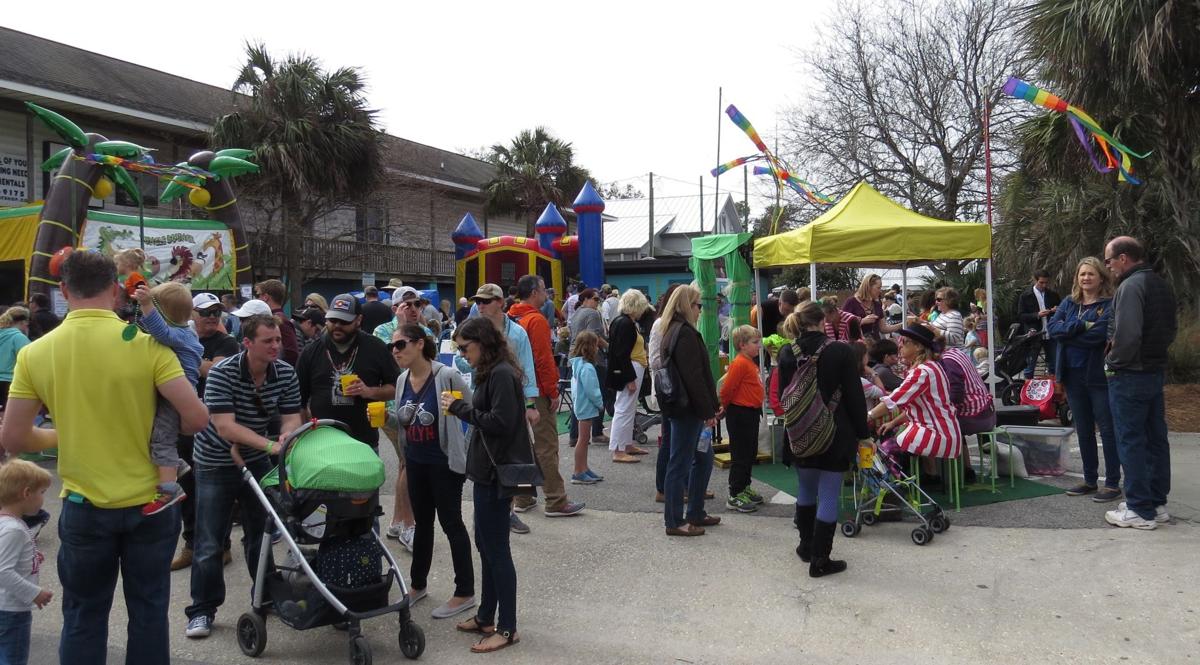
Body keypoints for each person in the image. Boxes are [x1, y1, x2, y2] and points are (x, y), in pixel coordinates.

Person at [0, 250, 208, 663]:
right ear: (116, 290)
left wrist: (68, 431)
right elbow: (196, 418)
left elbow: (15, 436)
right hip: (152, 502)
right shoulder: (149, 345)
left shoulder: (35, 353)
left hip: (84, 505)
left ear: (64, 290)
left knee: (82, 616)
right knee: (149, 613)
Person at [184, 314, 301, 639]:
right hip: (215, 461)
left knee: (259, 535)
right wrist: (269, 444)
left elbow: (292, 415)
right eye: (268, 341)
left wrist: (285, 436)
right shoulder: (223, 372)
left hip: (257, 458)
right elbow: (225, 426)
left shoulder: (285, 372)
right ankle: (202, 611)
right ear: (248, 343)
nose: (276, 345)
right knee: (209, 541)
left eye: (277, 339)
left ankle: (266, 597)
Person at [443, 317, 527, 653]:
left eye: (465, 347)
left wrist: (461, 408)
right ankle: (486, 616)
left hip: (496, 472)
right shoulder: (492, 372)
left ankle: (507, 629)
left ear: (483, 342)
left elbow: (502, 423)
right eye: (459, 349)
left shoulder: (501, 373)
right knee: (486, 545)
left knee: (496, 550)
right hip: (487, 471)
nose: (462, 354)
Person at [388, 323, 476, 619]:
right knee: (422, 524)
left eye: (400, 345)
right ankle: (417, 585)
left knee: (452, 524)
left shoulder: (446, 375)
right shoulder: (402, 380)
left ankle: (464, 592)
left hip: (443, 464)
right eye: (393, 346)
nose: (395, 351)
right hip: (415, 462)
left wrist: (460, 448)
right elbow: (406, 419)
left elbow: (473, 410)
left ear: (420, 344)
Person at [775, 303, 870, 577]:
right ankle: (820, 560)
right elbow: (854, 396)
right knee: (828, 494)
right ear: (822, 320)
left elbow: (784, 397)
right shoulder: (839, 350)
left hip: (799, 432)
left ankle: (806, 546)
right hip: (835, 431)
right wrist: (864, 435)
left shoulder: (786, 352)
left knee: (805, 489)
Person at [1102, 236, 1177, 530]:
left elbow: (1127, 334)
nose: (1108, 267)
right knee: (1155, 438)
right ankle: (1155, 504)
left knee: (1131, 439)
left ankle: (1138, 509)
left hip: (1130, 373)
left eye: (1109, 261)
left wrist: (1112, 364)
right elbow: (1171, 328)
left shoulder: (1131, 286)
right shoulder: (1160, 283)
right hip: (1153, 370)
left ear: (1123, 258)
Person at [172, 293, 241, 571]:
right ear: (192, 314)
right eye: (206, 312)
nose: (212, 316)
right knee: (186, 489)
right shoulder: (183, 337)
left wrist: (184, 353)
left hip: (214, 426)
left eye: (216, 312)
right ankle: (191, 544)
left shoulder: (226, 341)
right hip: (181, 423)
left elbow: (215, 371)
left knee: (213, 491)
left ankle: (221, 546)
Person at [466, 284, 542, 534]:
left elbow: (527, 367)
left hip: (509, 399)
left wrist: (530, 404)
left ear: (500, 302)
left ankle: (509, 510)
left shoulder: (516, 332)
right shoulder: (473, 327)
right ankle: (487, 512)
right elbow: (458, 360)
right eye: (478, 301)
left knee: (512, 456)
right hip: (481, 397)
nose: (480, 305)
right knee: (483, 456)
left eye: (486, 301)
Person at [507, 275, 584, 517]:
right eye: (543, 290)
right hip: (537, 389)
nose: (546, 295)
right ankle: (555, 499)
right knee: (546, 445)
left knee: (521, 446)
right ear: (533, 293)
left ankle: (523, 495)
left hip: (513, 388)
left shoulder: (511, 317)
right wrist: (552, 391)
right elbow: (543, 359)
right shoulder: (535, 321)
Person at [1047, 257, 1120, 502]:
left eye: (1090, 274)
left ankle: (1111, 483)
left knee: (1107, 430)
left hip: (1097, 376)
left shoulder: (1109, 305)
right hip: (1071, 374)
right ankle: (1090, 480)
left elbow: (1098, 337)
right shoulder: (1069, 302)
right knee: (1083, 429)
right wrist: (1081, 325)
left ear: (1101, 277)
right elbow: (1053, 330)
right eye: (1082, 274)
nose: (1086, 278)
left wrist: (1069, 331)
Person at [131, 281, 205, 516]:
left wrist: (146, 305)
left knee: (162, 439)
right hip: (174, 394)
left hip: (177, 397)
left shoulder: (179, 335)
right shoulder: (186, 332)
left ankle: (168, 490)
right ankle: (177, 465)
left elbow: (160, 332)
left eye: (154, 311)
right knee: (158, 435)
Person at [295, 294, 398, 450]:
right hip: (322, 442)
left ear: (358, 320)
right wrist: (305, 436)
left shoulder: (375, 347)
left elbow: (395, 388)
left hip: (363, 442)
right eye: (332, 320)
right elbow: (299, 401)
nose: (337, 325)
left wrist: (369, 391)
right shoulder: (311, 351)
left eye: (344, 321)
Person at [658, 285, 721, 537]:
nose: (700, 310)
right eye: (698, 305)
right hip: (687, 410)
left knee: (701, 460)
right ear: (688, 305)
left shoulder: (674, 331)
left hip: (684, 407)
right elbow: (694, 377)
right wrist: (709, 410)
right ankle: (675, 520)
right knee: (680, 464)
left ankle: (695, 512)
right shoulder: (683, 333)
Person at [867, 324, 962, 484]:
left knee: (883, 452)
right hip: (943, 430)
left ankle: (891, 497)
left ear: (918, 347)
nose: (900, 345)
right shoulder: (932, 367)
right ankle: (904, 488)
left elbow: (893, 400)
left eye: (904, 342)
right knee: (892, 438)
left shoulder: (922, 371)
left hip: (936, 433)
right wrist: (893, 422)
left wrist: (867, 416)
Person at [375, 285, 431, 548]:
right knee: (410, 463)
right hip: (393, 408)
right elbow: (390, 364)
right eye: (406, 304)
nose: (413, 309)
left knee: (406, 463)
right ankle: (408, 524)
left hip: (421, 406)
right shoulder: (383, 332)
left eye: (417, 304)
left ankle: (399, 521)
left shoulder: (426, 331)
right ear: (395, 307)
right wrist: (400, 327)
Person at [0, 459, 54, 665]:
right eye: (41, 493)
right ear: (26, 493)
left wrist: (30, 555)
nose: (43, 499)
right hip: (11, 610)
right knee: (13, 659)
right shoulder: (13, 529)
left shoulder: (6, 523)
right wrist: (34, 593)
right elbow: (3, 571)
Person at [719, 325, 765, 513]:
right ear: (742, 345)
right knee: (741, 454)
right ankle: (735, 493)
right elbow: (728, 388)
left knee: (750, 452)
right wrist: (723, 406)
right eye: (755, 343)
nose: (759, 346)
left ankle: (744, 485)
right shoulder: (739, 363)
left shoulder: (748, 362)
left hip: (751, 412)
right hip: (740, 413)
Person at [606, 289, 652, 463]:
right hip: (631, 368)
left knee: (627, 408)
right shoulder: (625, 324)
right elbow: (621, 353)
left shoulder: (622, 322)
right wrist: (629, 378)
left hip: (633, 367)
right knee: (624, 408)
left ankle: (625, 444)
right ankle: (618, 449)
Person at [567, 288, 610, 445]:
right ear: (585, 299)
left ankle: (574, 435)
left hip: (574, 356)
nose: (598, 302)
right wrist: (609, 347)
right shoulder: (592, 314)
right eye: (596, 299)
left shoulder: (577, 312)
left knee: (578, 396)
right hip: (591, 358)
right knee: (599, 393)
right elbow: (595, 337)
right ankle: (597, 433)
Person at [569, 331, 605, 484]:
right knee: (583, 440)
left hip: (581, 406)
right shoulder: (588, 368)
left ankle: (584, 468)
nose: (597, 349)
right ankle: (578, 471)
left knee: (584, 439)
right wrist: (600, 403)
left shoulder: (578, 365)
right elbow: (593, 390)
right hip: (586, 407)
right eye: (596, 345)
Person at [1016, 269, 1061, 378]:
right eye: (1041, 282)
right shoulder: (1025, 296)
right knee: (1029, 366)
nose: (1044, 285)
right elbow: (1020, 316)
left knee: (1054, 365)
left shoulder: (1053, 295)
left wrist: (1057, 310)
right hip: (1034, 334)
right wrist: (1037, 315)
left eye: (1046, 282)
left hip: (1051, 334)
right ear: (1035, 280)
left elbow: (1063, 311)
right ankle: (1026, 392)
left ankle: (1053, 391)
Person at [843, 274, 902, 341]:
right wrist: (862, 321)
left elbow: (883, 328)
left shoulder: (877, 304)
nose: (880, 291)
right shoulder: (851, 302)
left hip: (875, 346)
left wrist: (902, 324)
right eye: (878, 288)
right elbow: (842, 324)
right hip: (858, 347)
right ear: (868, 287)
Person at [254, 279, 300, 366]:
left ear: (266, 297)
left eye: (259, 295)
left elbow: (292, 353)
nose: (258, 299)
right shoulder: (275, 317)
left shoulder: (281, 321)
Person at [0, 307, 31, 410]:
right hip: (10, 383)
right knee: (7, 420)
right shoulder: (18, 338)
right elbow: (29, 359)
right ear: (23, 321)